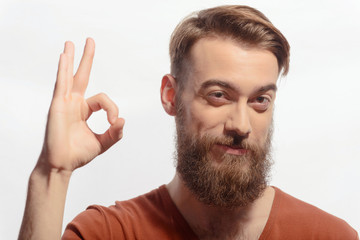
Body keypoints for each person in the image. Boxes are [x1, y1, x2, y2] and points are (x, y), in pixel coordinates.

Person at [18, 5, 358, 240]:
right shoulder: (109, 232)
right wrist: (53, 173)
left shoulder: (330, 235)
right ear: (170, 95)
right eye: (219, 95)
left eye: (259, 100)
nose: (241, 125)